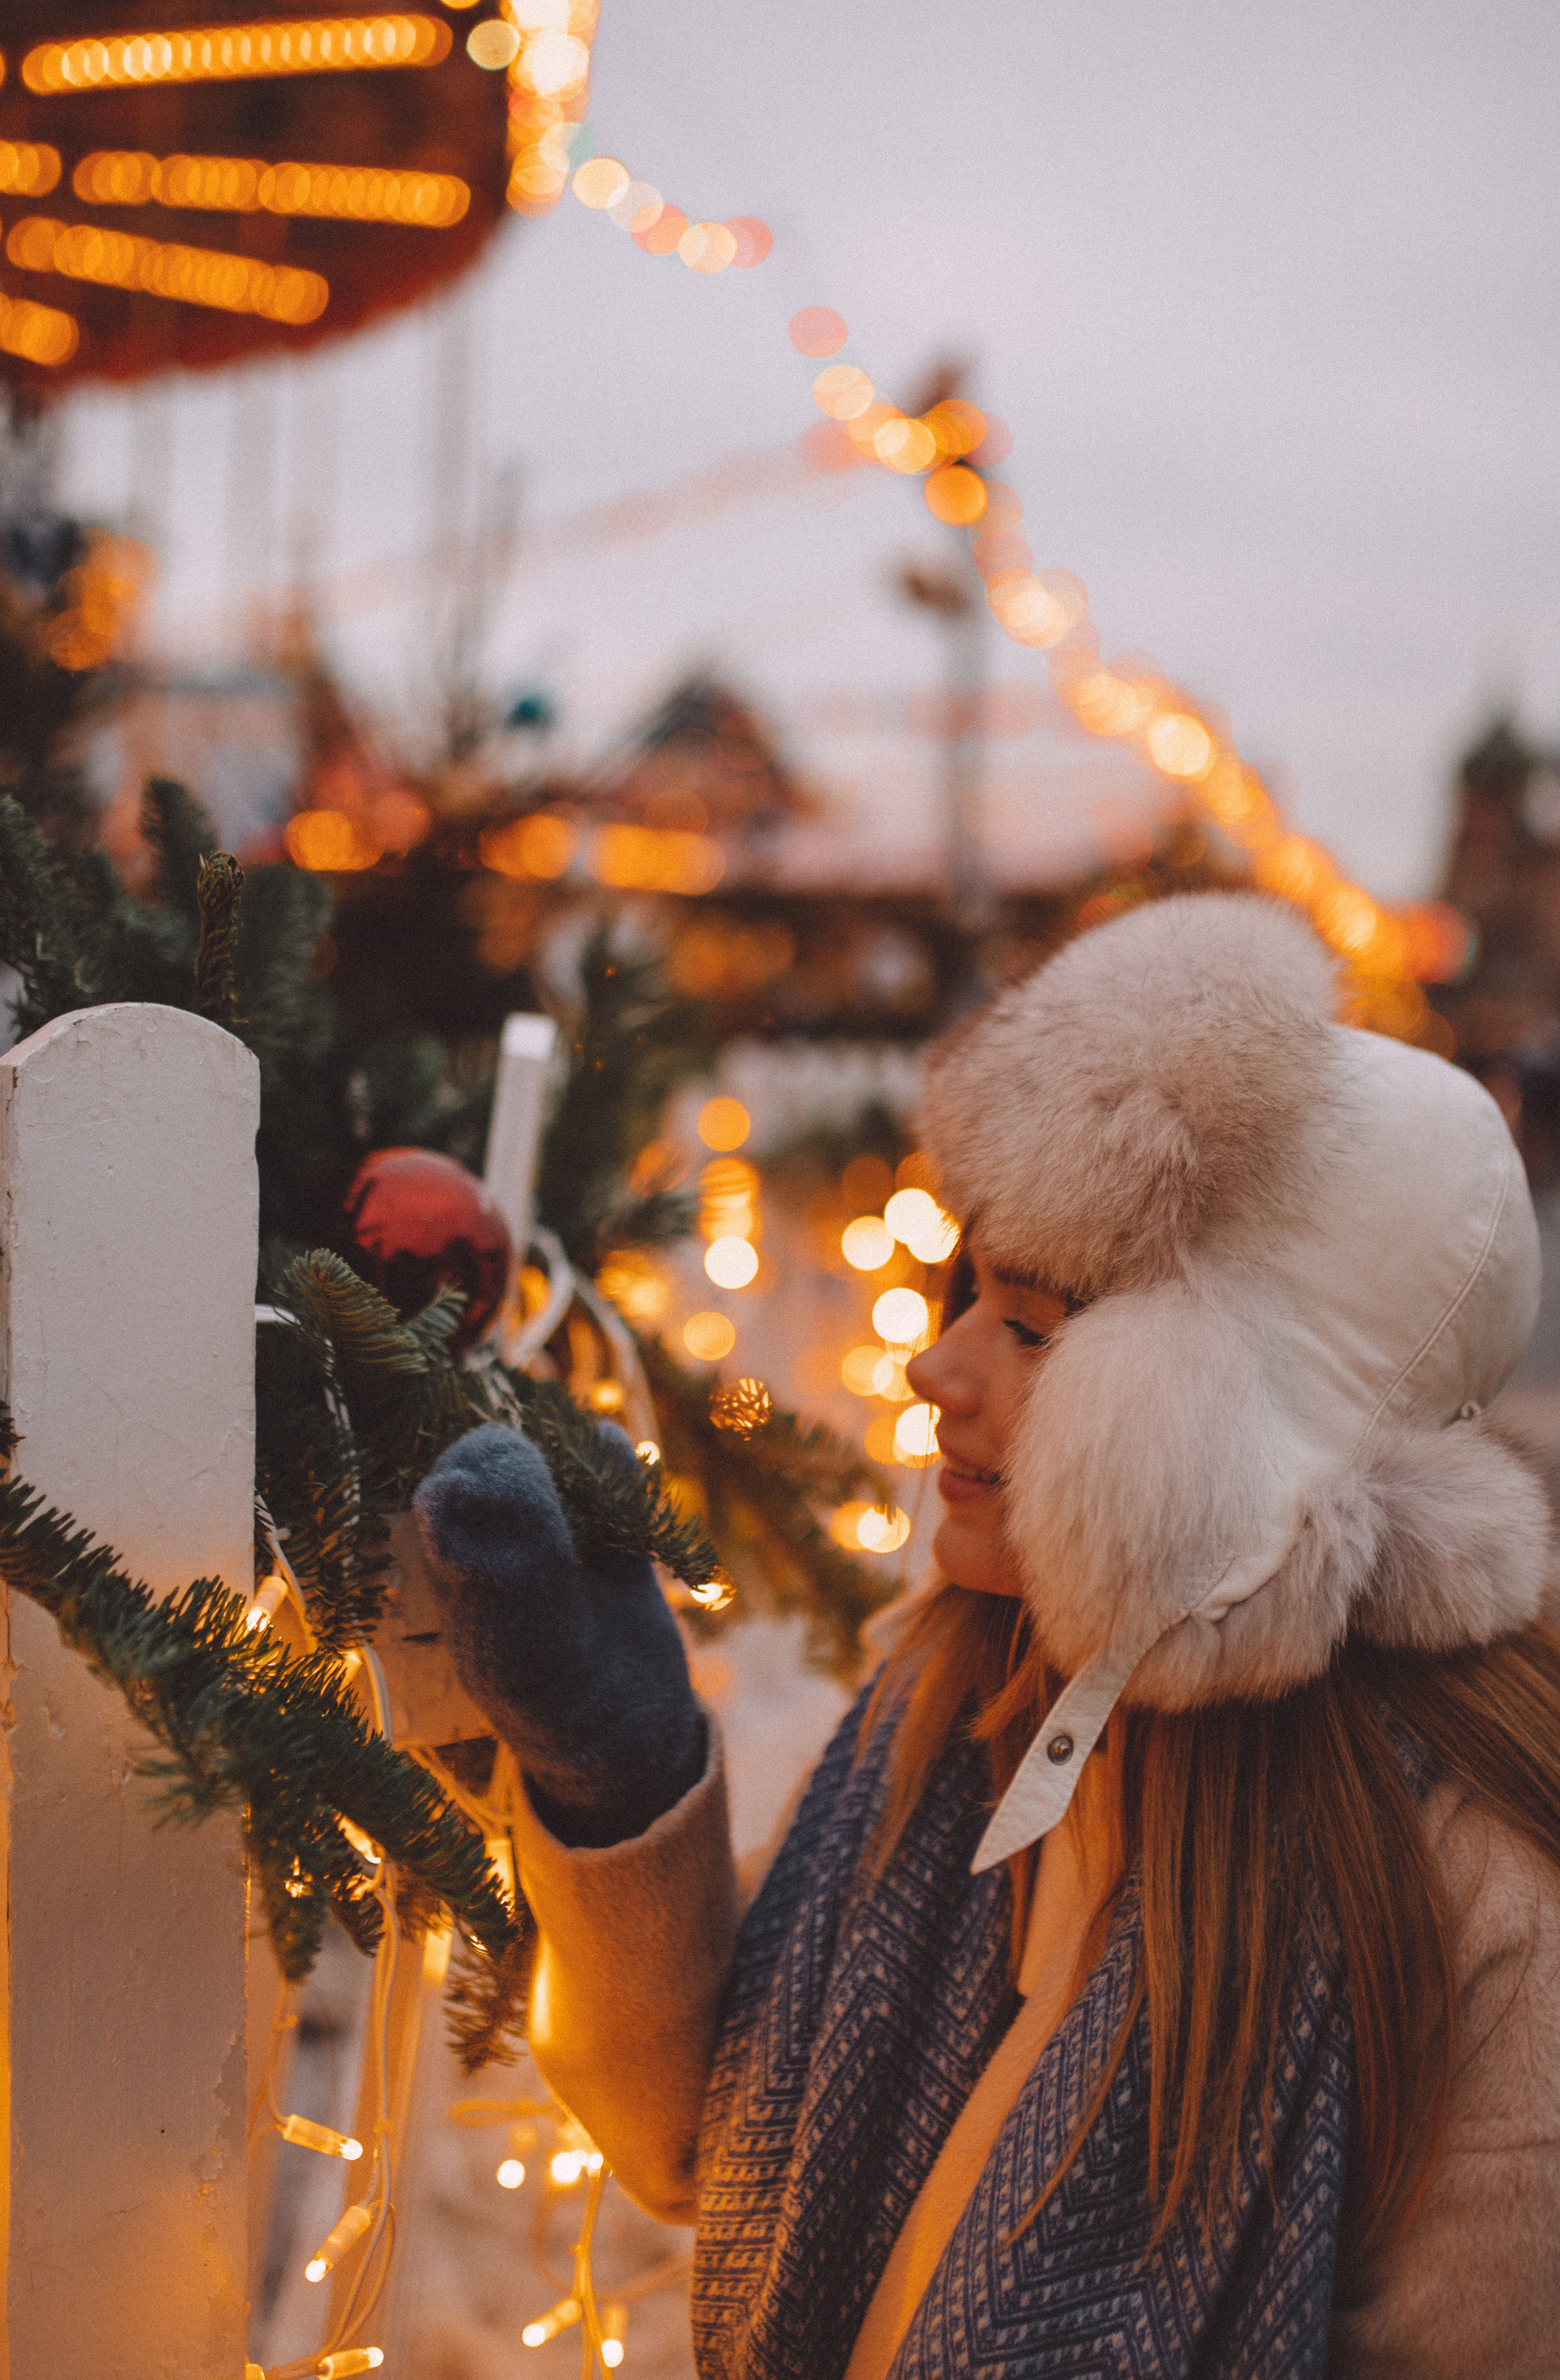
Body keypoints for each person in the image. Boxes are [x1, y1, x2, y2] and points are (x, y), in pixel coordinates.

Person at [416, 893, 1560, 2379]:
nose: (933, 1362)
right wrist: (614, 1773)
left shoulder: (1468, 1886)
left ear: (1234, 1431)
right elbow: (712, 2134)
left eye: (1029, 1329)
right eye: (967, 1294)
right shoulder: (968, 1704)